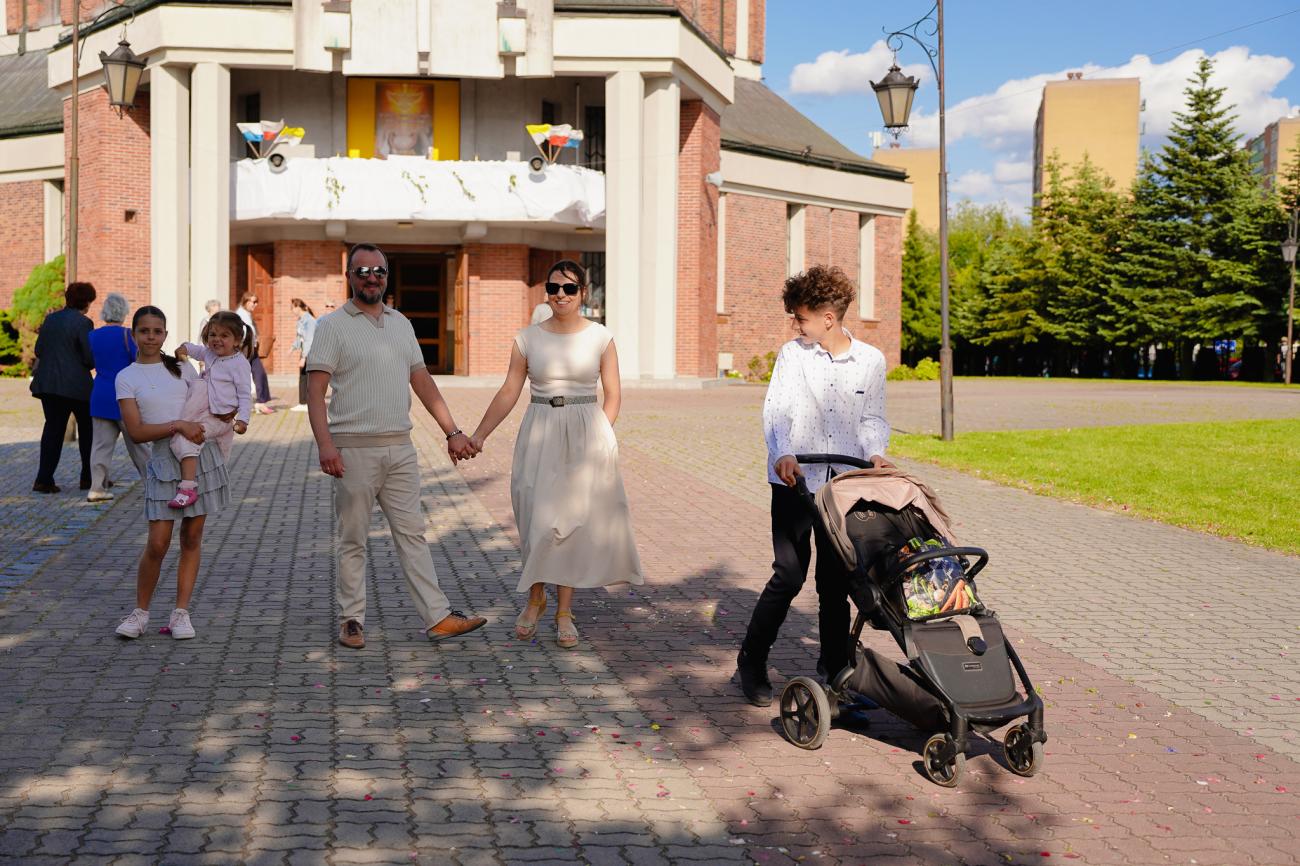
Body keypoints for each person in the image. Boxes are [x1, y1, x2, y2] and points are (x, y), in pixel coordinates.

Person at [306, 243, 487, 649]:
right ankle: (352, 620)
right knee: (353, 539)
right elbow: (315, 393)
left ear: (387, 277)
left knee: (413, 535)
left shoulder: (401, 323)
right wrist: (325, 445)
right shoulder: (332, 326)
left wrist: (452, 432)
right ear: (349, 277)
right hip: (352, 451)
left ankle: (438, 617)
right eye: (362, 271)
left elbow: (422, 381)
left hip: (401, 449)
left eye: (379, 271)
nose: (372, 278)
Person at [736, 264, 890, 707]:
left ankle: (836, 674)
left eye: (801, 317)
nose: (795, 325)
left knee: (835, 581)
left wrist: (876, 453)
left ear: (827, 318)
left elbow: (873, 418)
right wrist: (783, 452)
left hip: (842, 485)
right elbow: (777, 409)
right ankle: (751, 660)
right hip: (794, 480)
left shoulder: (871, 361)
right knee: (789, 574)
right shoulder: (793, 355)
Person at [470, 259, 643, 649]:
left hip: (585, 433)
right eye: (553, 288)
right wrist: (479, 435)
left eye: (568, 288)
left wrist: (601, 436)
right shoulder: (527, 339)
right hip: (540, 431)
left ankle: (564, 612)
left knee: (571, 524)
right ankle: (536, 597)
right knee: (536, 519)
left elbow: (613, 394)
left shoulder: (600, 337)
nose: (560, 295)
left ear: (583, 292)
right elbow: (509, 391)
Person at [114, 306, 231, 641]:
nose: (151, 337)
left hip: (198, 456)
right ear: (134, 335)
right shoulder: (127, 377)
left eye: (157, 331)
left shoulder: (182, 367)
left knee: (191, 538)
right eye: (144, 331)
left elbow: (211, 399)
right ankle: (140, 613)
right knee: (158, 542)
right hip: (164, 461)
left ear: (165, 334)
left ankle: (181, 613)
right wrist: (178, 424)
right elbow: (136, 431)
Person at [169, 312, 251, 508]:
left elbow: (245, 394)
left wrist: (243, 419)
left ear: (237, 340)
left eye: (224, 335)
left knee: (188, 438)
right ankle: (194, 475)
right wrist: (184, 348)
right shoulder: (209, 353)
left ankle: (187, 488)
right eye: (213, 334)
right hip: (204, 411)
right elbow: (195, 349)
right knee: (188, 437)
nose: (217, 340)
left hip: (220, 418)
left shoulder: (239, 364)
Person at [31, 281, 97, 494]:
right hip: (76, 387)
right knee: (88, 430)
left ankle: (43, 479)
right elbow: (89, 357)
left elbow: (39, 350)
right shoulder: (83, 323)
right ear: (86, 302)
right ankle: (88, 478)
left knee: (52, 430)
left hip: (48, 384)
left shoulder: (51, 319)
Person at [86, 292, 150, 502]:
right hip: (125, 396)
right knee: (139, 445)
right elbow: (138, 362)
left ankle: (96, 488)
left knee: (100, 447)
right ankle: (154, 484)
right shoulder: (128, 335)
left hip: (100, 394)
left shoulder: (92, 336)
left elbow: (89, 361)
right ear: (124, 312)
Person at [236, 293, 275, 414]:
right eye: (253, 302)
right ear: (245, 302)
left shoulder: (248, 314)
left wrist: (256, 339)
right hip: (243, 348)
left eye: (256, 302)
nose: (255, 304)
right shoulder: (239, 315)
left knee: (260, 373)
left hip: (252, 348)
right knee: (241, 377)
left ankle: (260, 403)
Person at [289, 298, 317, 412]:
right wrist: (292, 348)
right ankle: (303, 403)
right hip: (305, 351)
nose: (291, 310)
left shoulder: (309, 321)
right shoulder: (301, 320)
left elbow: (309, 339)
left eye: (292, 308)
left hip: (310, 352)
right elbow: (299, 337)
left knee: (308, 378)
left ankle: (308, 404)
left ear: (298, 307)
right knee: (303, 377)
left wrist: (304, 357)